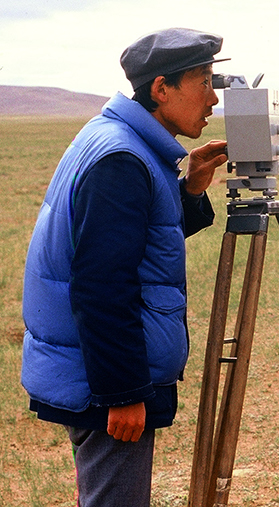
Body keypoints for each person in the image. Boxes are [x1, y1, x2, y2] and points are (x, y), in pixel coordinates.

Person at [21, 28, 230, 506]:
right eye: (203, 81)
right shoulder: (123, 159)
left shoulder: (117, 139)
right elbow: (101, 284)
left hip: (93, 371)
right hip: (103, 383)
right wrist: (123, 393)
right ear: (161, 88)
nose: (213, 99)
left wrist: (189, 190)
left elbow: (133, 242)